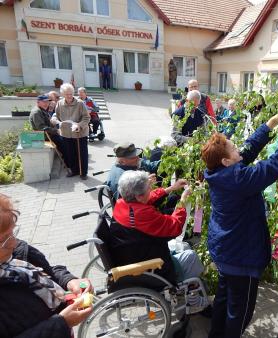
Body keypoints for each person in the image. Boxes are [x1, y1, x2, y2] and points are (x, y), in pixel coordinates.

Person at [201, 113, 278, 338]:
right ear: (227, 161)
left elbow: (246, 150)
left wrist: (268, 126)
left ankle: (215, 335)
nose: (238, 149)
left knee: (224, 297)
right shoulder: (239, 178)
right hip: (241, 258)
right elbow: (274, 165)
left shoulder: (218, 172)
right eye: (232, 148)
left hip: (225, 250)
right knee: (240, 311)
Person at [0, 193, 93, 337]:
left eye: (13, 232)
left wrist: (70, 281)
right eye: (4, 239)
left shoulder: (15, 253)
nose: (13, 242)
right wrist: (61, 323)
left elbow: (47, 271)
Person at [111, 171, 204, 285]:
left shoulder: (122, 203)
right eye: (148, 188)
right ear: (139, 196)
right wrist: (183, 201)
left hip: (136, 254)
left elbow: (148, 199)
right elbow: (175, 226)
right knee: (192, 257)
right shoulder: (143, 215)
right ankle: (193, 296)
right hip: (152, 269)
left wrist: (170, 188)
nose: (150, 190)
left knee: (184, 246)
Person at [52, 83, 90, 180]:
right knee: (70, 153)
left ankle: (83, 172)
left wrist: (79, 125)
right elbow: (55, 115)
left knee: (82, 153)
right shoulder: (60, 103)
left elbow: (86, 117)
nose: (69, 96)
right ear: (62, 94)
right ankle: (74, 170)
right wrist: (55, 120)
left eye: (70, 94)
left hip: (79, 133)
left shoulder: (80, 103)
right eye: (66, 94)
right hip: (66, 133)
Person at [29, 95, 68, 168]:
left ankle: (68, 160)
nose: (46, 103)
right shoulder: (36, 112)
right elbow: (41, 128)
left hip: (49, 133)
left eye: (47, 101)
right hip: (44, 136)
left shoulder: (42, 109)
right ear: (38, 102)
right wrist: (56, 130)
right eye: (44, 102)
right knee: (64, 143)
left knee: (66, 140)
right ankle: (68, 162)